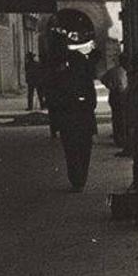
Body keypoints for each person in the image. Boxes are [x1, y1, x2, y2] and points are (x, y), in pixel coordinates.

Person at [45, 38, 97, 192]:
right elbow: (92, 102)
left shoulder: (61, 78)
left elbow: (55, 101)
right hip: (85, 121)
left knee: (71, 152)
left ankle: (76, 180)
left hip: (68, 122)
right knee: (84, 152)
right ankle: (81, 180)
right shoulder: (86, 79)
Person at [99, 58, 128, 147]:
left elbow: (103, 79)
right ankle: (123, 138)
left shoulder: (114, 71)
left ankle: (119, 138)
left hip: (115, 94)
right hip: (122, 94)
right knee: (123, 118)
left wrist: (110, 86)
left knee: (117, 117)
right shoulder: (125, 72)